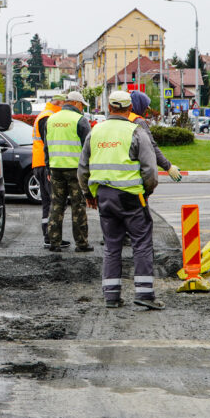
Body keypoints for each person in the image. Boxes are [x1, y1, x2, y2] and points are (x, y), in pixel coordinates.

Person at [79, 90, 162, 310]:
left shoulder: (95, 132)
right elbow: (150, 171)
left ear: (109, 107)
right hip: (132, 197)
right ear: (129, 109)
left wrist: (89, 194)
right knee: (141, 243)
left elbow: (83, 169)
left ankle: (111, 296)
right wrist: (147, 191)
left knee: (111, 245)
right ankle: (145, 294)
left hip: (104, 197)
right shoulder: (136, 131)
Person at [44, 90, 92, 252]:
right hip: (75, 171)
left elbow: (46, 147)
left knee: (56, 204)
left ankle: (54, 242)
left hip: (56, 168)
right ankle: (81, 243)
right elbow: (88, 147)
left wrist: (48, 167)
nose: (82, 108)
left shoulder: (51, 119)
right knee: (78, 206)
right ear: (76, 103)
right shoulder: (80, 120)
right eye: (81, 105)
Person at [32, 92, 65, 248]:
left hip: (38, 163)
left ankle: (48, 235)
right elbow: (48, 144)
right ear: (59, 103)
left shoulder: (44, 115)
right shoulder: (49, 117)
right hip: (46, 165)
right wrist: (51, 167)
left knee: (47, 202)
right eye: (64, 105)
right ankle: (52, 236)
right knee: (54, 201)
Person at [129, 91, 182, 182]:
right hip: (132, 173)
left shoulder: (121, 118)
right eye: (145, 106)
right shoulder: (138, 122)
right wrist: (168, 166)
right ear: (139, 106)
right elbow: (151, 146)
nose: (147, 109)